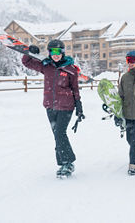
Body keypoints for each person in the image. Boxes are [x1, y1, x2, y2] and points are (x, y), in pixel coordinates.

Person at [22, 40, 84, 178]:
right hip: (50, 105)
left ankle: (68, 162)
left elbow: (75, 89)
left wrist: (79, 106)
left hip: (66, 106)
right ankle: (64, 163)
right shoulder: (46, 67)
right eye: (52, 52)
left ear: (62, 52)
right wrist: (30, 52)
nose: (55, 55)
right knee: (57, 135)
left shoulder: (71, 69)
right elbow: (27, 62)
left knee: (60, 133)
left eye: (57, 52)